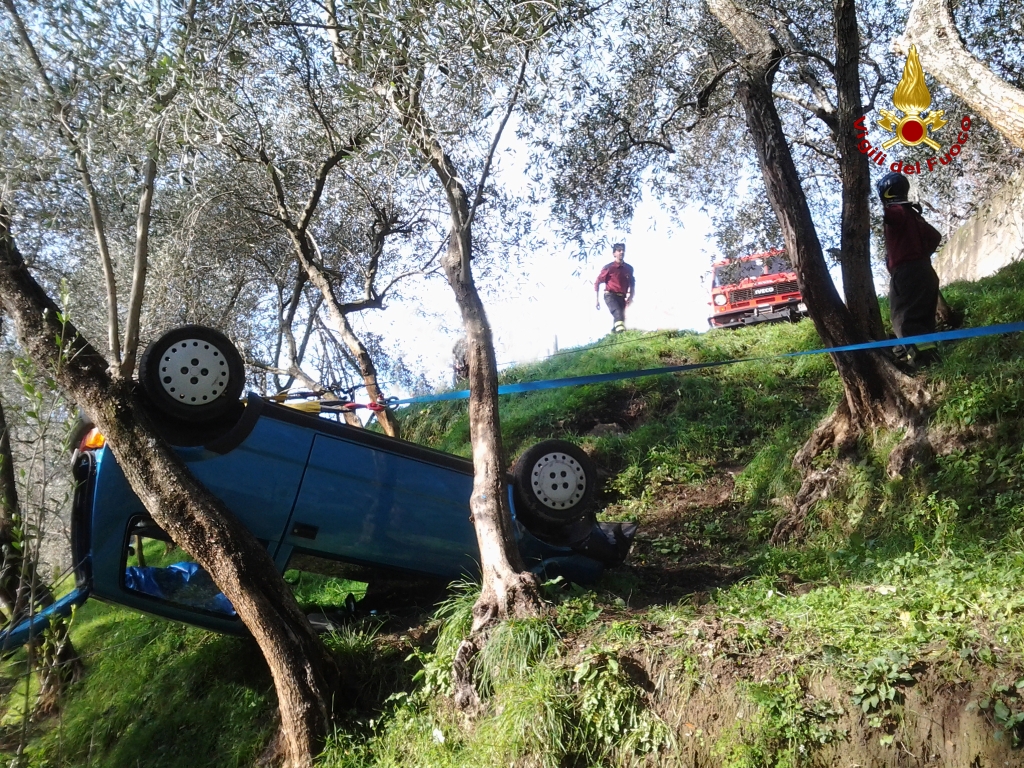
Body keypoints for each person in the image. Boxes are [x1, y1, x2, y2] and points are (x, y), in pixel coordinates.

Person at [878, 172, 942, 367]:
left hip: (906, 274)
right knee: (922, 320)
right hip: (926, 272)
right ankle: (931, 362)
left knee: (903, 320)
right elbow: (935, 237)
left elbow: (891, 216)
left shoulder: (896, 211)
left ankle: (921, 363)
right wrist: (921, 255)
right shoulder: (915, 216)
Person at [594, 243, 635, 334]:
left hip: (622, 297)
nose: (622, 252)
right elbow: (597, 282)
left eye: (623, 250)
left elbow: (632, 284)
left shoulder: (629, 268)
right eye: (619, 250)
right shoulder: (609, 268)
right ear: (614, 254)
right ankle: (622, 335)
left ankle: (614, 335)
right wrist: (597, 300)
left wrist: (631, 297)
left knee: (623, 318)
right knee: (618, 313)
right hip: (610, 295)